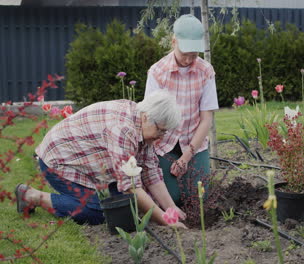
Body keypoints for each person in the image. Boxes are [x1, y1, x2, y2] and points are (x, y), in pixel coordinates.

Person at [15, 90, 187, 229]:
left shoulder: (143, 123)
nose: (161, 137)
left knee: (125, 207)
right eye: (161, 131)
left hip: (86, 162)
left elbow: (150, 172)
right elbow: (130, 187)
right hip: (59, 161)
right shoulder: (123, 129)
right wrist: (165, 221)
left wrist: (171, 209)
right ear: (146, 117)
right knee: (99, 212)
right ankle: (32, 196)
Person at [144, 14, 218, 204]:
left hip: (194, 142)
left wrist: (186, 157)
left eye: (194, 54)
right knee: (172, 199)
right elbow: (150, 119)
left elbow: (206, 118)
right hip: (164, 144)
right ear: (174, 41)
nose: (188, 60)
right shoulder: (157, 72)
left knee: (199, 197)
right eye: (185, 53)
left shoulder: (206, 71)